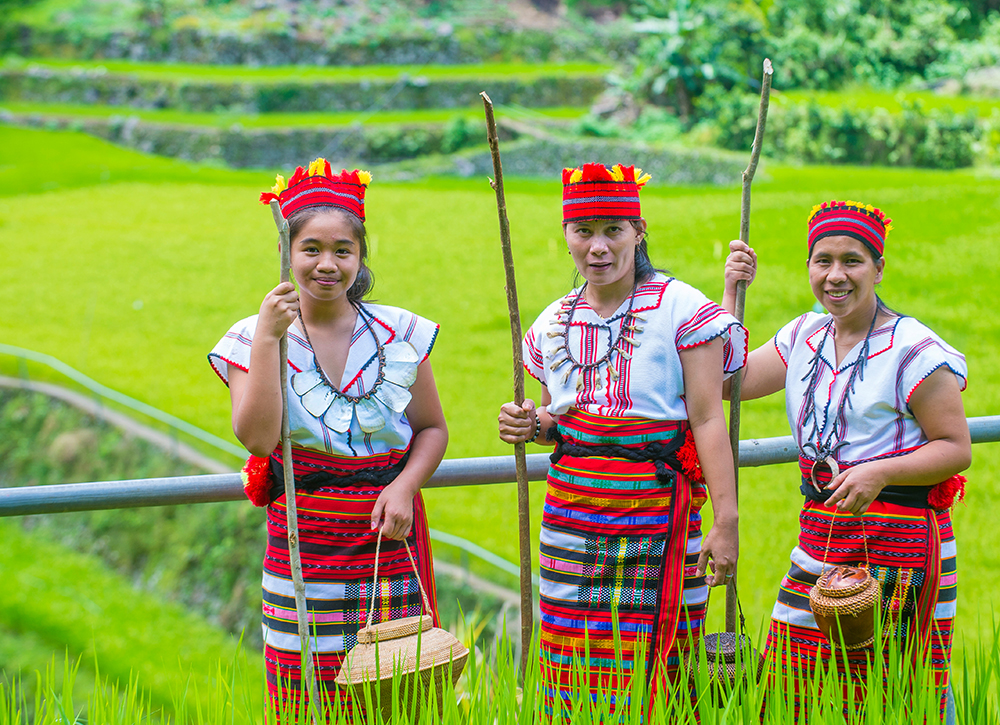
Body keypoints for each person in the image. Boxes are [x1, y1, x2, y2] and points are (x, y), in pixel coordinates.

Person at [497, 163, 746, 714]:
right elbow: (565, 424)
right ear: (565, 236)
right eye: (584, 230)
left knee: (660, 663)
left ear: (640, 231)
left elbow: (707, 420)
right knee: (571, 657)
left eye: (614, 229)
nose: (599, 247)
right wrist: (531, 424)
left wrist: (726, 523)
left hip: (656, 510)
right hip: (571, 516)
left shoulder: (684, 309)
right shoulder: (553, 322)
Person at [208, 158, 448, 718]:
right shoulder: (253, 336)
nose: (327, 263)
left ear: (360, 258)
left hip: (388, 538)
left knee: (398, 690)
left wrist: (406, 487)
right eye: (311, 248)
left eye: (343, 250)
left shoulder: (399, 332)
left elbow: (432, 429)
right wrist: (270, 337)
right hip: (304, 543)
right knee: (306, 693)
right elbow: (259, 440)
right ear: (287, 253)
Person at [723, 200, 969, 721]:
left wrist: (880, 470)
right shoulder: (803, 336)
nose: (836, 275)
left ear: (878, 267)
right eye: (822, 260)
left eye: (852, 260)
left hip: (903, 546)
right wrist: (731, 294)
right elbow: (728, 382)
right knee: (786, 688)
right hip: (822, 534)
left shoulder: (913, 349)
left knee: (898, 694)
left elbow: (954, 447)